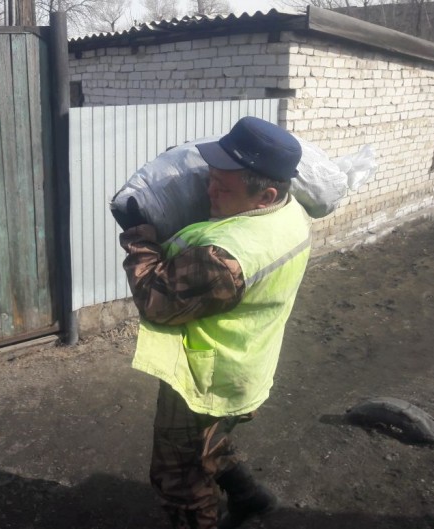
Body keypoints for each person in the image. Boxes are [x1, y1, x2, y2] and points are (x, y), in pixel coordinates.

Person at [119, 116, 312, 529]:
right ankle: (251, 498)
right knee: (208, 440)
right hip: (247, 365)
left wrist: (138, 240)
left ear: (265, 195)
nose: (209, 192)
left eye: (222, 188)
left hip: (205, 379)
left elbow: (155, 300)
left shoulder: (225, 258)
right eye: (211, 180)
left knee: (179, 477)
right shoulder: (292, 214)